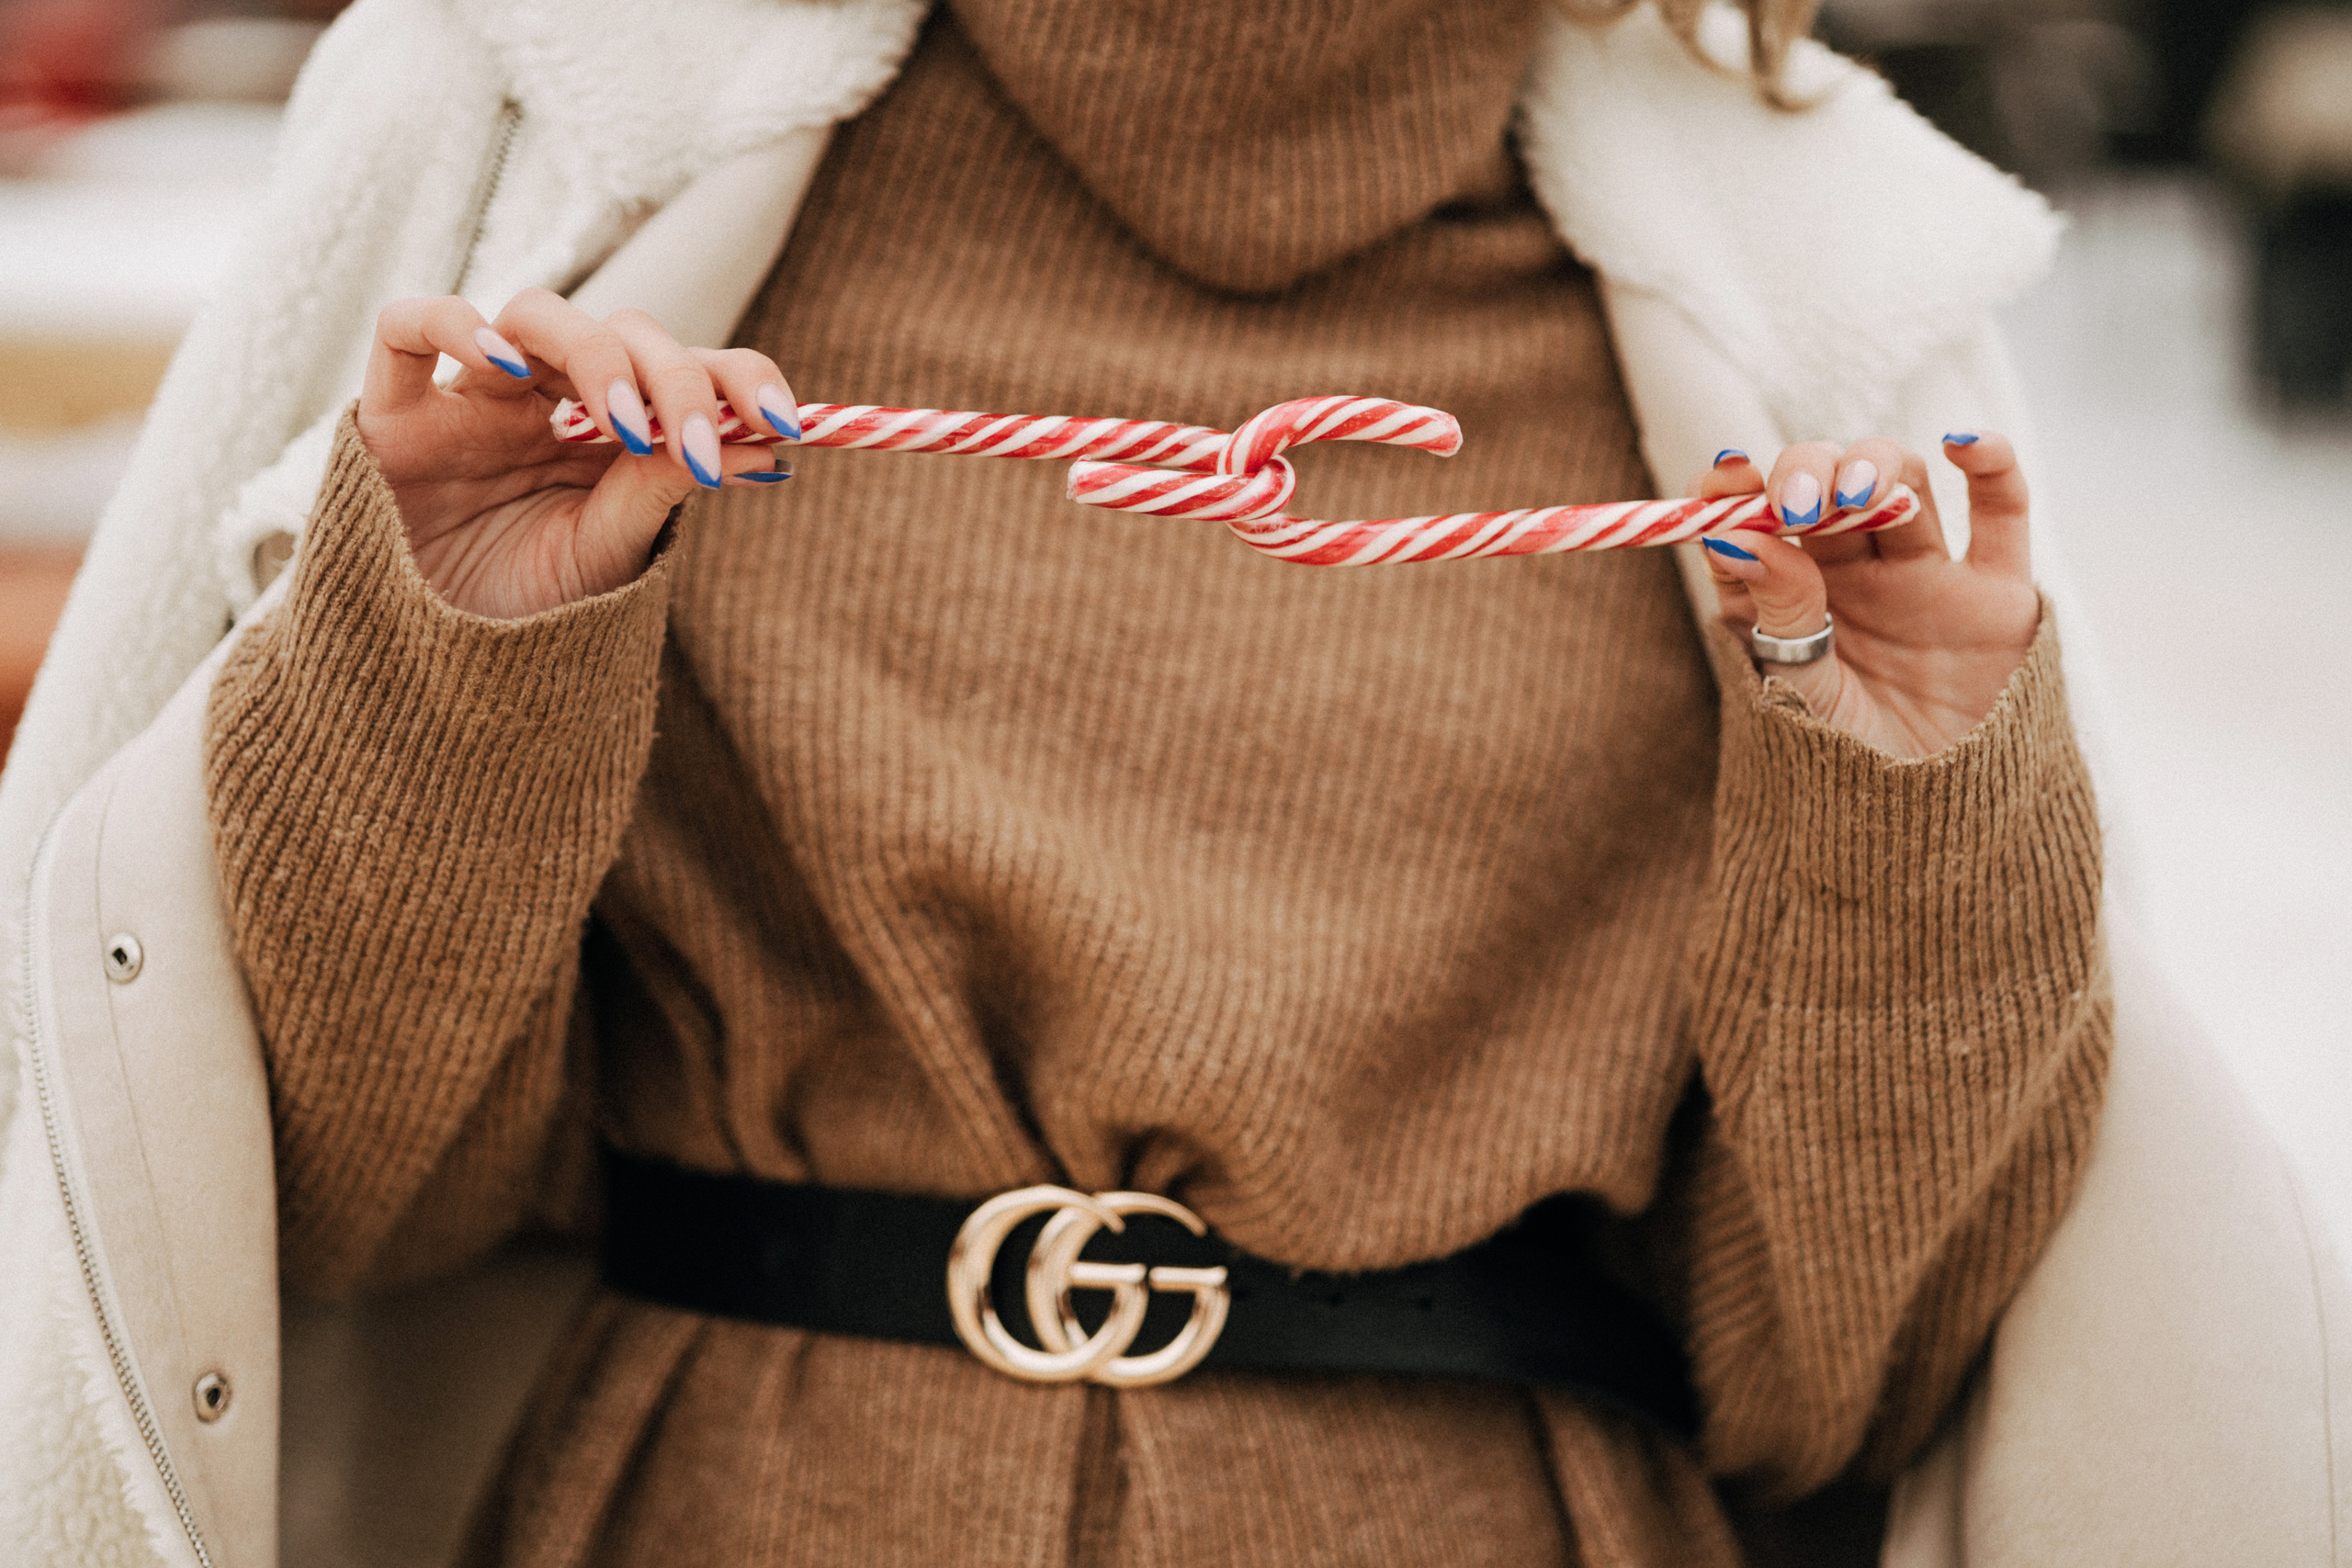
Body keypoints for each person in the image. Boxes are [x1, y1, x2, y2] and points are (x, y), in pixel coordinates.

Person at [23, 1, 2116, 1562]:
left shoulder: (1824, 269)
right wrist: (460, 658)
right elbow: (316, 1208)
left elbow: (1848, 1380)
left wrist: (1904, 822)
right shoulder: (557, 115)